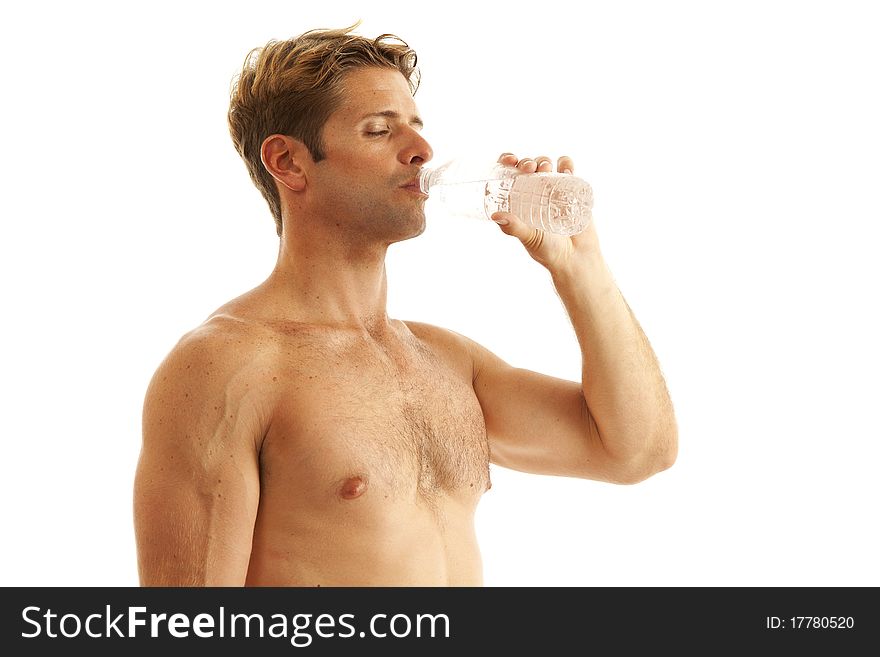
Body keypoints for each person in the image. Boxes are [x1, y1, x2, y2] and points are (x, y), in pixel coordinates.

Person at [132, 24, 678, 587]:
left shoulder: (447, 362)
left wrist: (578, 264)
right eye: (378, 130)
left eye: (416, 126)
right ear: (289, 163)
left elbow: (637, 451)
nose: (421, 151)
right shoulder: (224, 367)